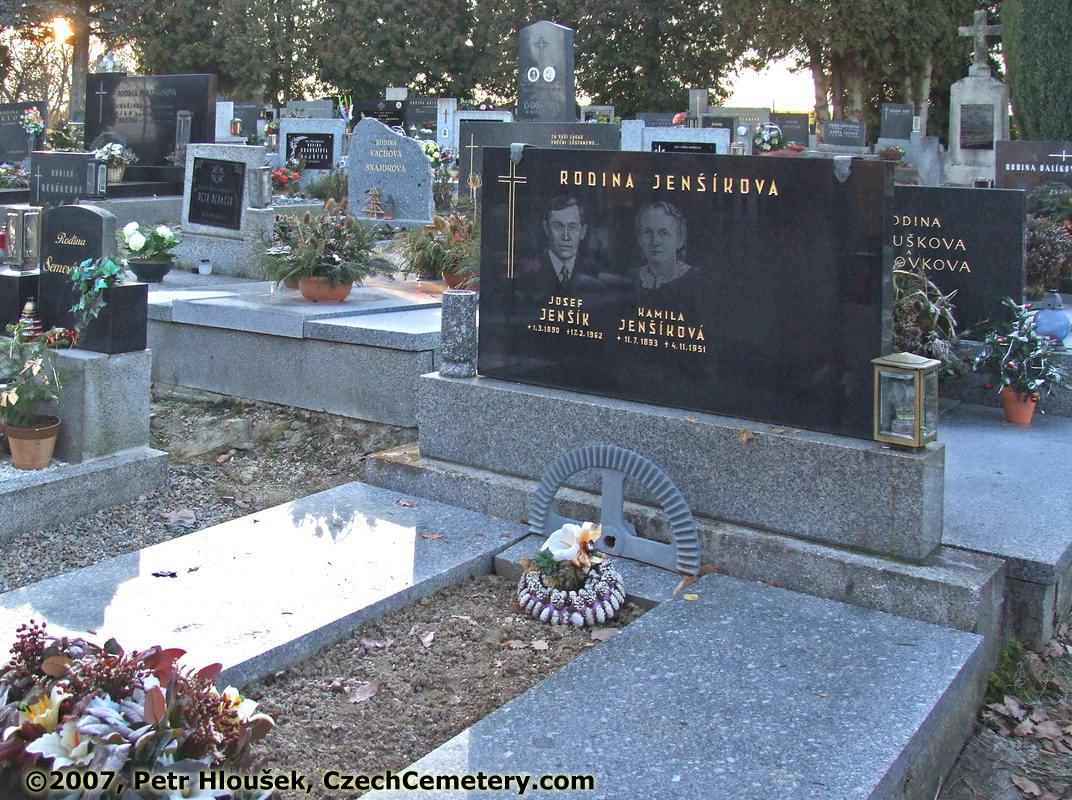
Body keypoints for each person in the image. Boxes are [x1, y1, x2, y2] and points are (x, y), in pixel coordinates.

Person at [519, 196, 595, 297]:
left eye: (572, 228)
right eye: (558, 227)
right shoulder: (527, 272)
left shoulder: (594, 272)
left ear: (583, 232)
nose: (566, 237)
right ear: (546, 228)